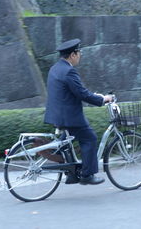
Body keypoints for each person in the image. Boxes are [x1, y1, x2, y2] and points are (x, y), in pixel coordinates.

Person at [44, 38, 113, 185]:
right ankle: (87, 175)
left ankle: (72, 174)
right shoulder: (69, 71)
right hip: (68, 116)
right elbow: (82, 94)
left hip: (57, 114)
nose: (80, 55)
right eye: (79, 52)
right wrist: (103, 99)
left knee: (65, 142)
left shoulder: (55, 68)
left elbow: (75, 91)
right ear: (73, 55)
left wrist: (95, 96)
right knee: (90, 138)